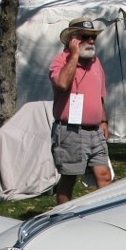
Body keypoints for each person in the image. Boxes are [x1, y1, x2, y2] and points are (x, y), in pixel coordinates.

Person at [49, 14, 111, 204]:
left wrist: (103, 120)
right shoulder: (60, 61)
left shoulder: (96, 63)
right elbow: (62, 84)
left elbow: (100, 96)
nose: (91, 41)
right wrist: (74, 56)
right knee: (69, 177)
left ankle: (108, 215)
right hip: (70, 131)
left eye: (94, 37)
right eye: (85, 36)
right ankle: (62, 218)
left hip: (95, 131)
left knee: (105, 175)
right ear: (72, 39)